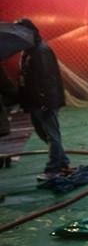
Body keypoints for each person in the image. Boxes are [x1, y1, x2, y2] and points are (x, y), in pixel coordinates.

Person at [13, 20, 73, 182]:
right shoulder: (28, 52)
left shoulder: (41, 51)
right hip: (35, 101)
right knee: (44, 133)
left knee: (51, 135)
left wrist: (47, 102)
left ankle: (54, 168)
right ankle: (62, 162)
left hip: (44, 102)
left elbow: (49, 79)